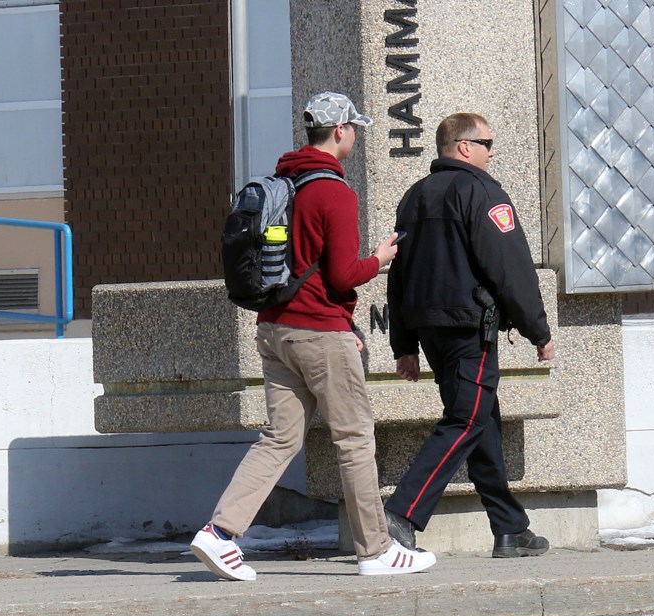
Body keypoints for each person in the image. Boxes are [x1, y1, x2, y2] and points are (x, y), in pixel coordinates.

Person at [190, 91, 437, 580]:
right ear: (341, 131)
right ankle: (377, 550)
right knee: (354, 437)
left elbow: (304, 267)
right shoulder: (334, 192)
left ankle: (218, 534)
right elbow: (344, 275)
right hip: (319, 332)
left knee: (279, 438)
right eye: (354, 131)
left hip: (275, 328)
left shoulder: (288, 179)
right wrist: (381, 259)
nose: (355, 139)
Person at [384, 112, 557, 559]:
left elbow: (396, 276)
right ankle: (401, 514)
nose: (492, 150)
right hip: (467, 332)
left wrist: (404, 345)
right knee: (465, 421)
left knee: (482, 423)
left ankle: (510, 528)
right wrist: (539, 331)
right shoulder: (482, 192)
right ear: (464, 147)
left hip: (430, 333)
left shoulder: (414, 197)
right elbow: (511, 269)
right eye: (487, 142)